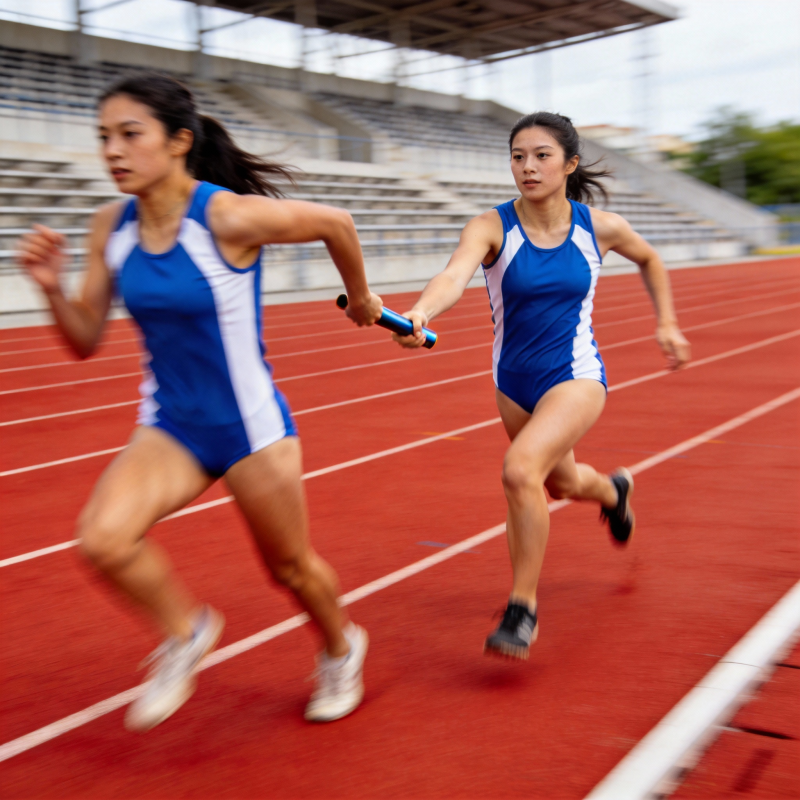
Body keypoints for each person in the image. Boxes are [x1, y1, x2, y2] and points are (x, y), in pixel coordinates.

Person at [16, 73, 383, 728]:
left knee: (291, 570)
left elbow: (336, 222)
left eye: (131, 135)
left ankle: (341, 646)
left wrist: (360, 298)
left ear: (179, 141)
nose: (113, 151)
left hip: (247, 426)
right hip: (171, 425)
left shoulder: (226, 217)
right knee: (103, 540)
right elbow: (83, 341)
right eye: (104, 137)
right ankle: (184, 632)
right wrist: (51, 287)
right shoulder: (112, 226)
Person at [393, 112, 691, 660]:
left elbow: (650, 258)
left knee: (519, 471)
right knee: (561, 485)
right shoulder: (491, 226)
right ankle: (613, 490)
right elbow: (454, 275)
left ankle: (521, 609)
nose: (527, 167)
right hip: (512, 382)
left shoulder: (598, 227)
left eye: (541, 155)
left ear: (569, 164)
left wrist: (666, 321)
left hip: (574, 375)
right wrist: (421, 310)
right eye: (517, 156)